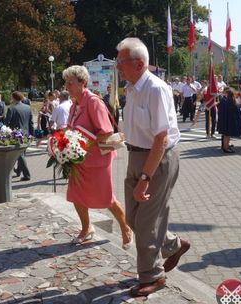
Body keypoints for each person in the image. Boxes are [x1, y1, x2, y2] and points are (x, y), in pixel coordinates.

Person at [116, 37, 189, 297]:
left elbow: (161, 138)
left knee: (146, 222)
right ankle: (173, 245)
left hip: (157, 160)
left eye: (120, 61)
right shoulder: (132, 87)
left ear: (138, 64)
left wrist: (146, 177)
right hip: (137, 155)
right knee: (133, 217)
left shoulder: (156, 89)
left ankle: (153, 276)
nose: (117, 66)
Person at [62, 65, 132, 250]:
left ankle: (125, 228)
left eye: (70, 83)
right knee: (76, 196)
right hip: (78, 160)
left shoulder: (93, 102)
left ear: (82, 83)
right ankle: (86, 228)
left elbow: (106, 131)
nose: (66, 86)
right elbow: (72, 130)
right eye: (66, 82)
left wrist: (81, 143)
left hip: (97, 160)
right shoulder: (75, 104)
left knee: (106, 198)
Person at [5, 91, 34, 181]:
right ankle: (18, 171)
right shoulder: (27, 107)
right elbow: (31, 123)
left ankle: (27, 175)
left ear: (13, 98)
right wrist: (32, 134)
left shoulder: (11, 109)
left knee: (20, 155)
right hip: (26, 133)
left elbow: (7, 123)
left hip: (17, 134)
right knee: (22, 154)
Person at [217, 88, 241, 153]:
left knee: (226, 135)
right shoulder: (231, 101)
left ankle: (226, 146)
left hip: (226, 120)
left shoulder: (226, 101)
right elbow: (237, 111)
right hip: (229, 120)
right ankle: (226, 148)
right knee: (227, 135)